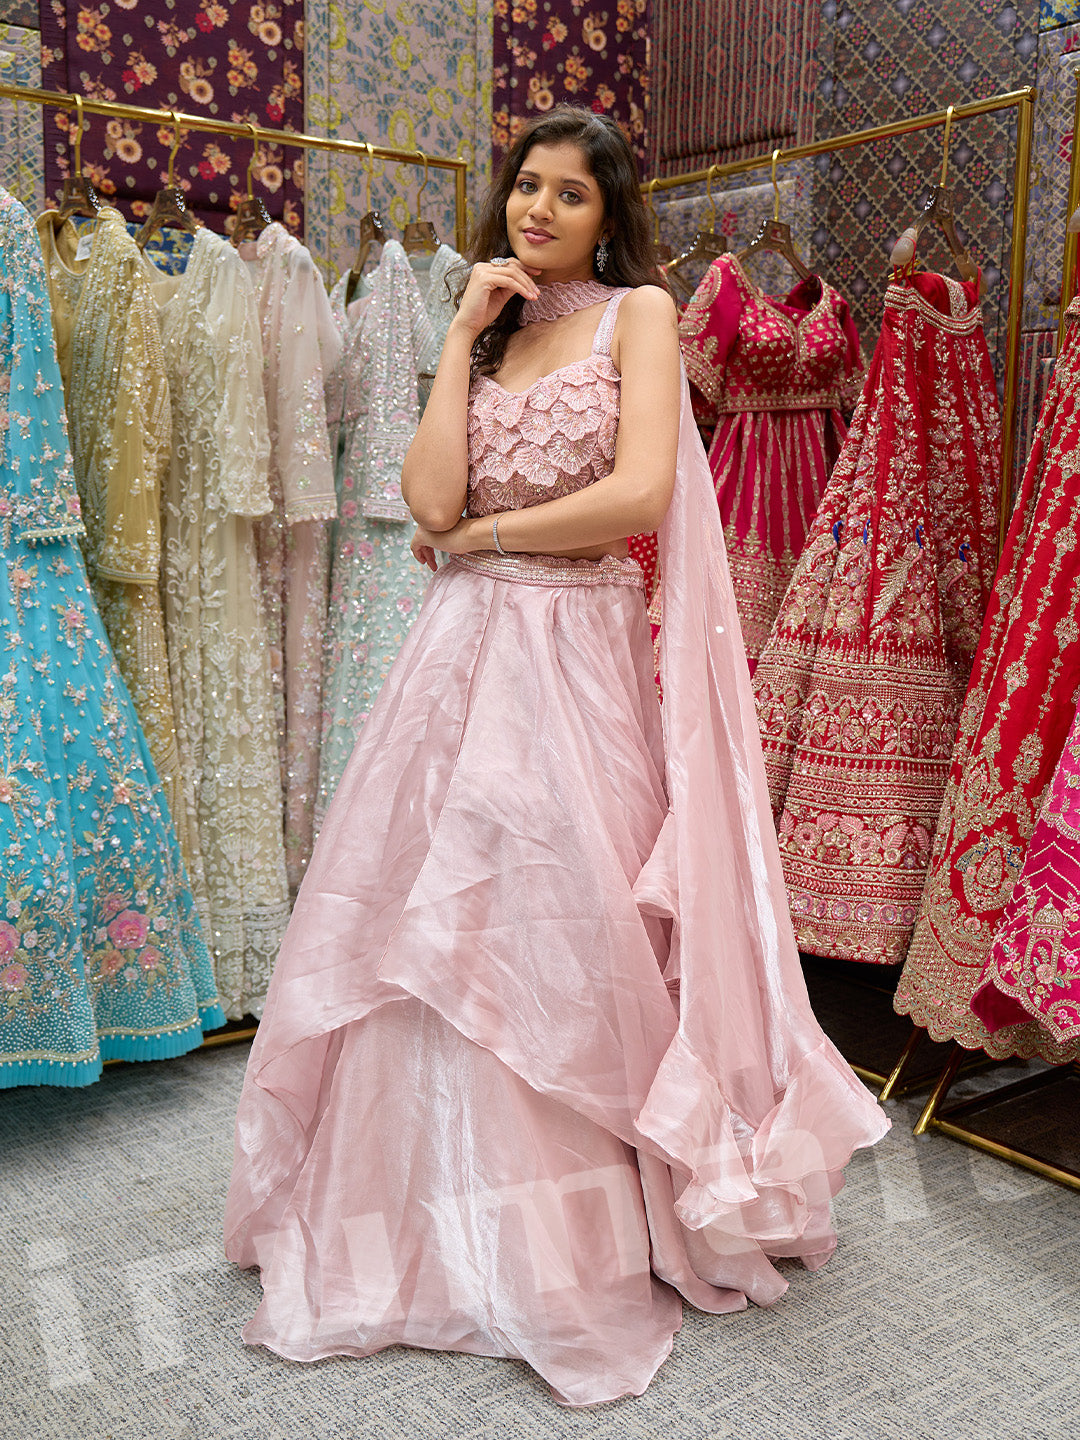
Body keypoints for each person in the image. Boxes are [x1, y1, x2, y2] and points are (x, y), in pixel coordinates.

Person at [224, 106, 888, 1408]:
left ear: (609, 214)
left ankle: (568, 1226)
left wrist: (489, 542)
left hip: (571, 647)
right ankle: (421, 1212)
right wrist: (462, 339)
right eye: (527, 186)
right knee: (428, 914)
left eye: (570, 194)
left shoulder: (637, 315)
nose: (539, 209)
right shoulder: (497, 327)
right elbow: (424, 499)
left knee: (555, 920)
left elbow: (638, 494)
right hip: (454, 661)